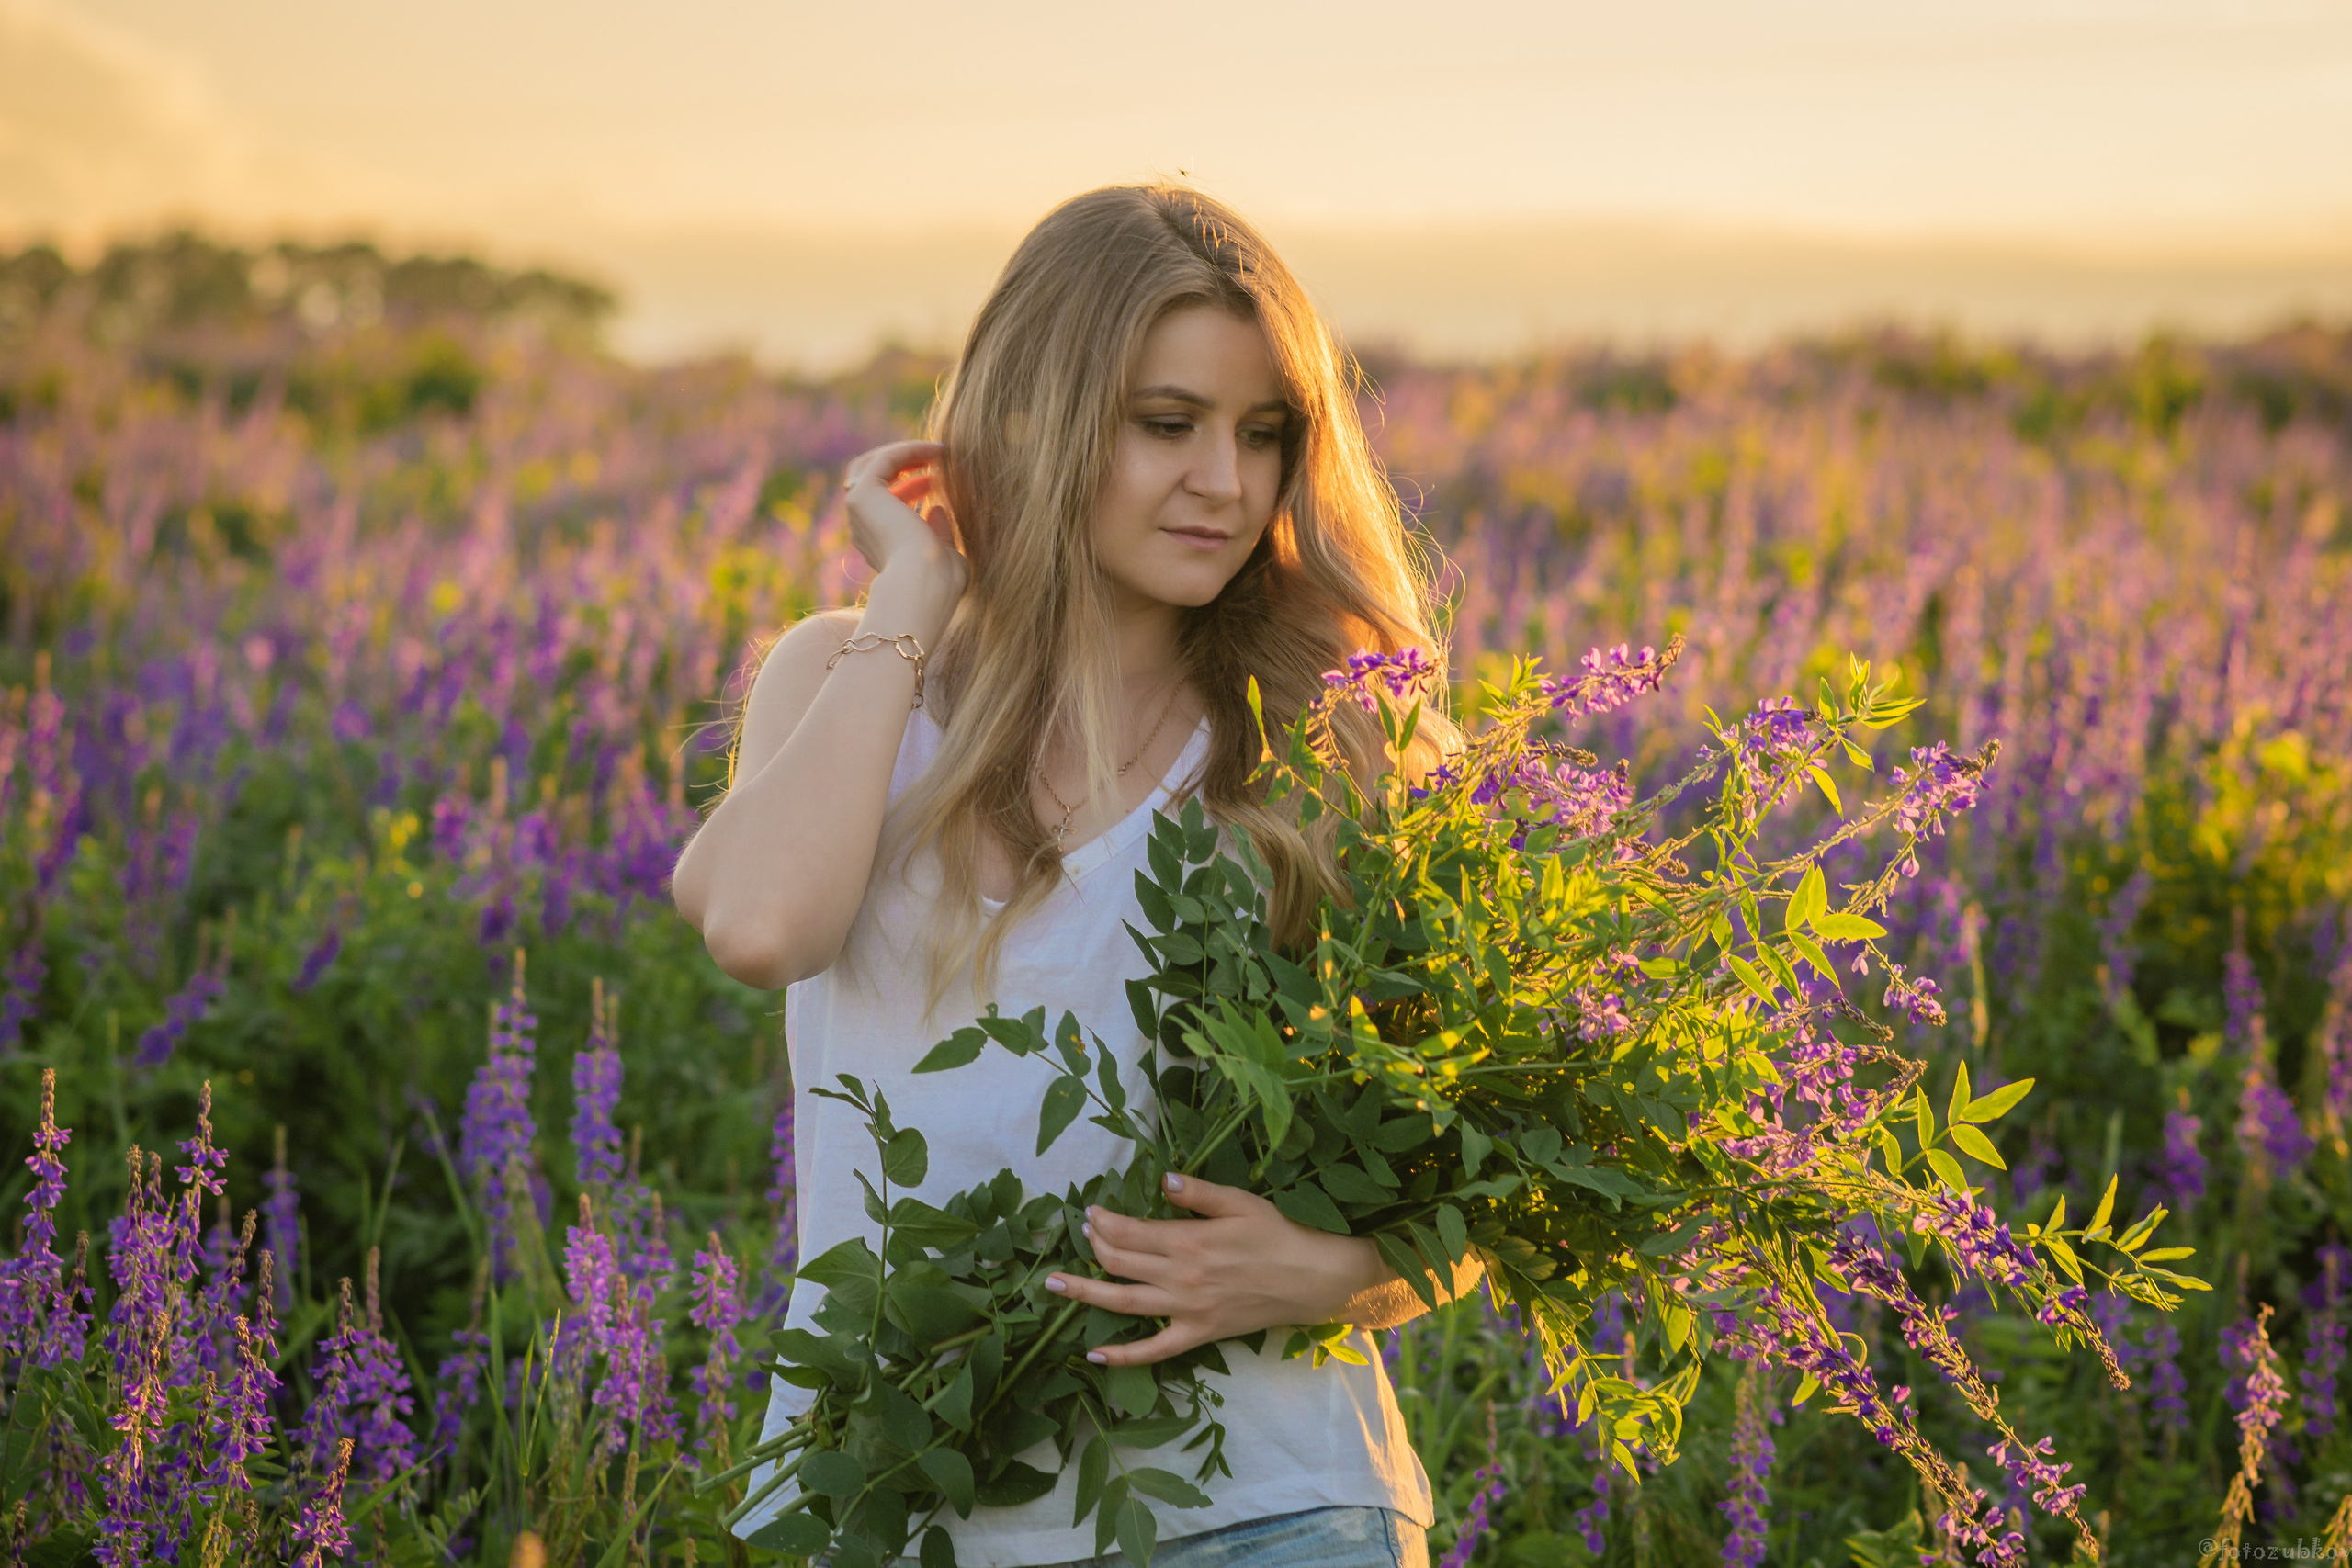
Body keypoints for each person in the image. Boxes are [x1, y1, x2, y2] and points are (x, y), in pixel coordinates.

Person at [671, 183, 1476, 1568]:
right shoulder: (848, 678)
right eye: (1167, 423)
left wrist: (1326, 1272)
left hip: (1267, 1510)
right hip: (894, 1499)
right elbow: (758, 928)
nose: (1225, 481)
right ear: (1036, 417)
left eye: (1263, 434)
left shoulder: (1328, 733)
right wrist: (911, 598)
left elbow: (1485, 1161)